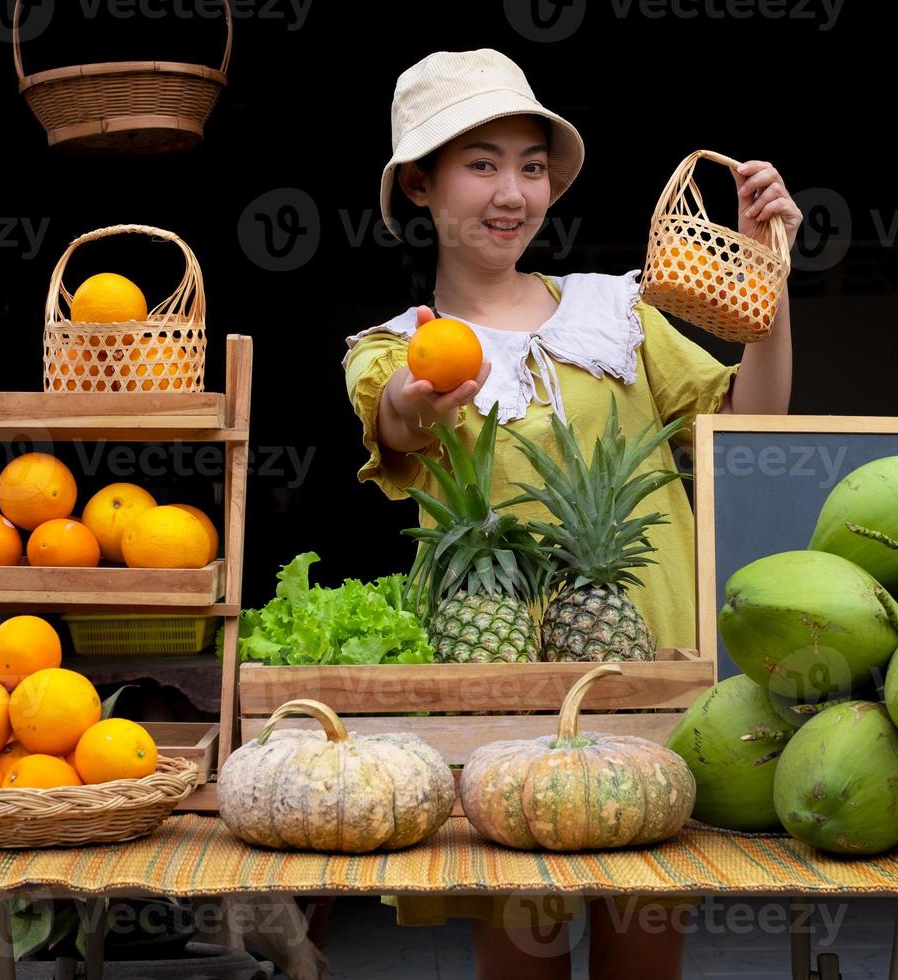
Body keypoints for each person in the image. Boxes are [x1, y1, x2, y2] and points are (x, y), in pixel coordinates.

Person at [342, 49, 799, 980]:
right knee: (520, 957)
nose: (512, 191)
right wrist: (428, 396)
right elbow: (396, 414)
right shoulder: (393, 347)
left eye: (531, 164)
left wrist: (768, 280)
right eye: (480, 164)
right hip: (495, 679)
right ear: (421, 187)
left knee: (644, 953)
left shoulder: (619, 313)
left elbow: (753, 424)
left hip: (652, 663)